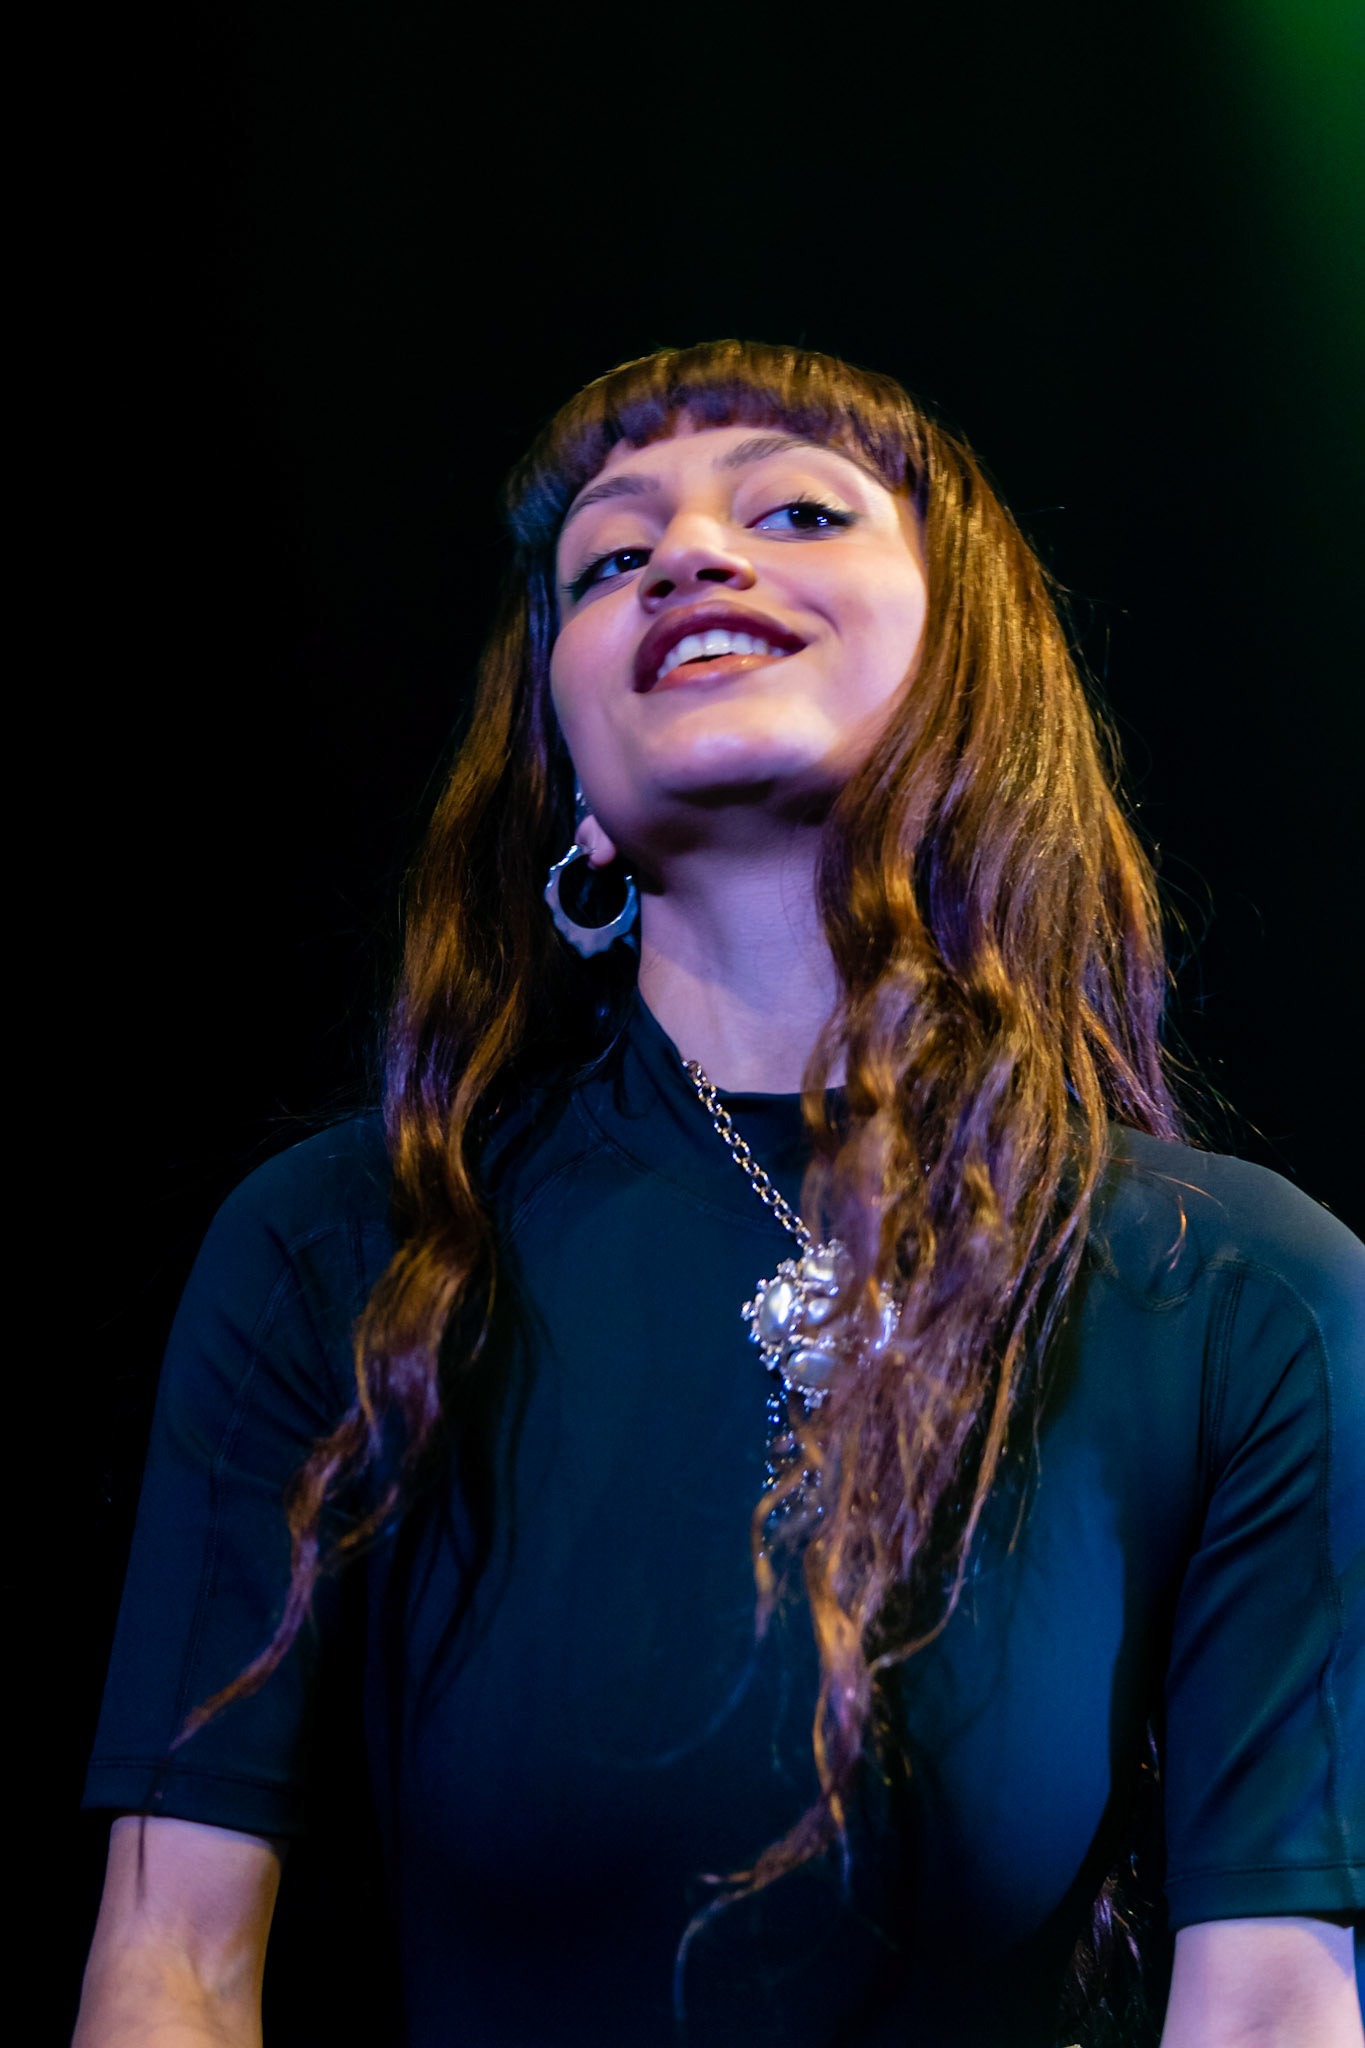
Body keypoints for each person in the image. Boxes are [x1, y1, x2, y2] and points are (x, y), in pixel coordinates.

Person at [74, 340, 1363, 2048]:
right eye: (611, 557)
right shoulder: (342, 1247)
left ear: (967, 669)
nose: (687, 554)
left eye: (796, 509)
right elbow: (170, 1971)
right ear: (564, 769)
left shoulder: (1232, 1291)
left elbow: (1270, 2005)